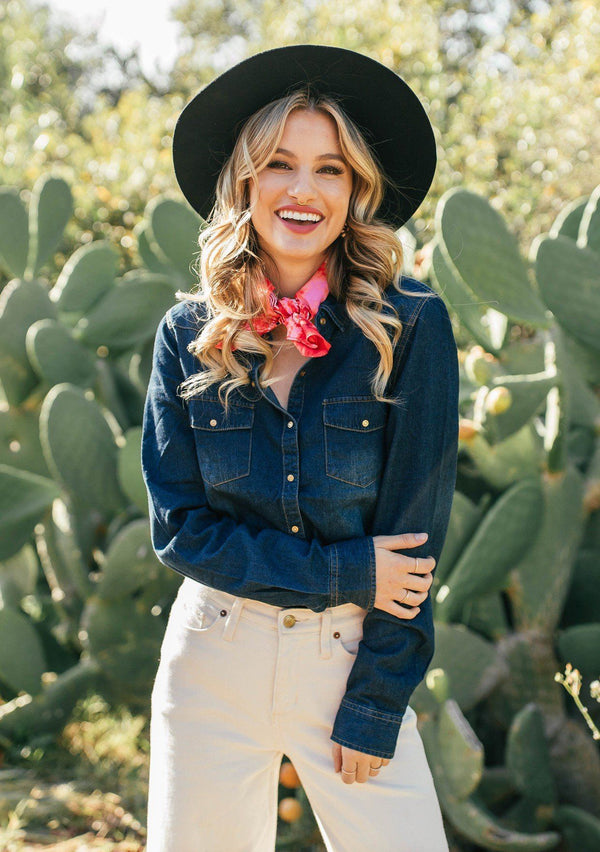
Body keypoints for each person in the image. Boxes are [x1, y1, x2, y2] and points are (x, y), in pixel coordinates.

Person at [141, 44, 458, 852]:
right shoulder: (188, 334)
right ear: (244, 182)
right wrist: (348, 570)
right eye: (280, 164)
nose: (303, 190)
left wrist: (377, 701)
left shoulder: (412, 327)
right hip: (212, 655)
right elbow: (180, 528)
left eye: (331, 170)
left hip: (346, 656)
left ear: (356, 192)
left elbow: (415, 550)